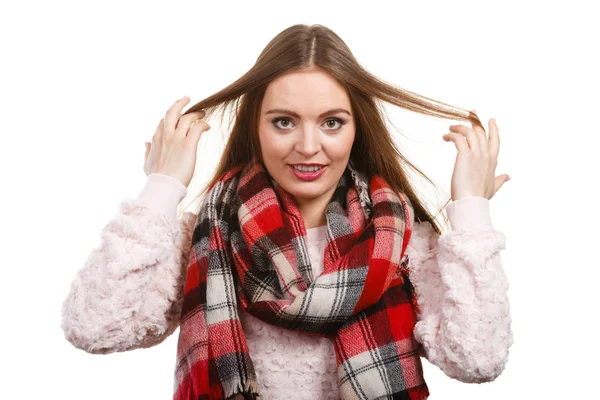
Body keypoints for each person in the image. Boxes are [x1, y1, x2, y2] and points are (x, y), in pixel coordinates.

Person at [60, 24, 513, 400]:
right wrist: (162, 187)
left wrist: (471, 210)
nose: (308, 146)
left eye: (331, 122)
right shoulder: (206, 236)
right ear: (255, 126)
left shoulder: (403, 241)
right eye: (284, 121)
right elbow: (95, 328)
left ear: (357, 129)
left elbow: (477, 359)